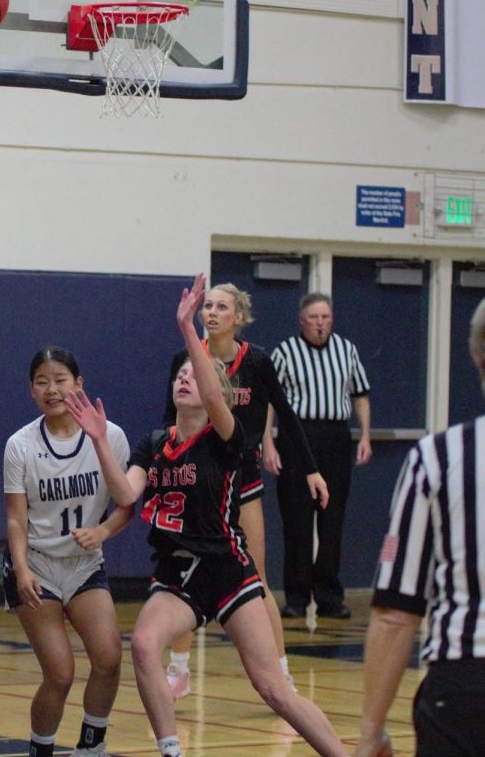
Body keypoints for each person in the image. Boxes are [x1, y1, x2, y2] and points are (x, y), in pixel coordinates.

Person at [65, 274, 348, 757]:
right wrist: (97, 443)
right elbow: (124, 493)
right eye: (180, 375)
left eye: (193, 376)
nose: (182, 378)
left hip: (227, 568)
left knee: (272, 689)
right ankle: (172, 750)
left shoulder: (225, 437)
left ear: (214, 387)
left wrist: (185, 327)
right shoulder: (154, 443)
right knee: (143, 645)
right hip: (178, 571)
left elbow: (218, 398)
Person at [157, 284, 328, 700]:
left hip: (242, 478)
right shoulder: (186, 359)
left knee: (257, 577)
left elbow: (286, 417)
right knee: (185, 574)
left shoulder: (257, 361)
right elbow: (169, 421)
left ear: (239, 316)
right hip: (198, 479)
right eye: (208, 306)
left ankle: (282, 675)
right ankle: (178, 672)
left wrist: (311, 470)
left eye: (222, 307)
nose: (212, 313)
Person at [354, 298, 485, 757]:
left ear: (475, 356)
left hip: (465, 685)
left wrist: (371, 731)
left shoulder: (437, 459)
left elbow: (396, 612)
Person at [4, 346, 136, 757]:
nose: (52, 388)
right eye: (42, 381)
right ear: (31, 390)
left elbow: (127, 504)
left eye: (60, 379)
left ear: (78, 384)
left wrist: (103, 531)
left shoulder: (109, 436)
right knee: (60, 674)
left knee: (110, 657)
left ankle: (91, 744)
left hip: (84, 565)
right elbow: (15, 518)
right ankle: (40, 748)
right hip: (37, 565)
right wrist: (22, 569)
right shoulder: (19, 445)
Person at [270, 292, 372, 619]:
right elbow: (270, 401)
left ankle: (329, 595)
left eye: (325, 317)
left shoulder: (347, 350)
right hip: (297, 436)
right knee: (297, 520)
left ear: (332, 319)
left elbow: (360, 394)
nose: (320, 323)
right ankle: (297, 597)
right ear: (302, 321)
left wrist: (365, 435)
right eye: (314, 317)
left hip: (335, 437)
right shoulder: (285, 352)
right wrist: (267, 444)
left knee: (332, 519)